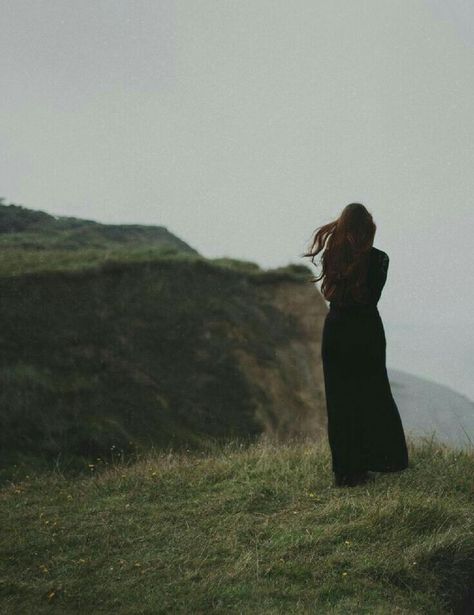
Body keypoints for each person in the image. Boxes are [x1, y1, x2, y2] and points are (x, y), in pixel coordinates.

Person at [303, 203, 409, 487]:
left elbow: (334, 295)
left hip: (336, 331)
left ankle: (345, 472)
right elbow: (370, 296)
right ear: (366, 231)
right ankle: (373, 462)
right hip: (366, 332)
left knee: (340, 401)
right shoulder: (379, 260)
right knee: (371, 394)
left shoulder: (331, 257)